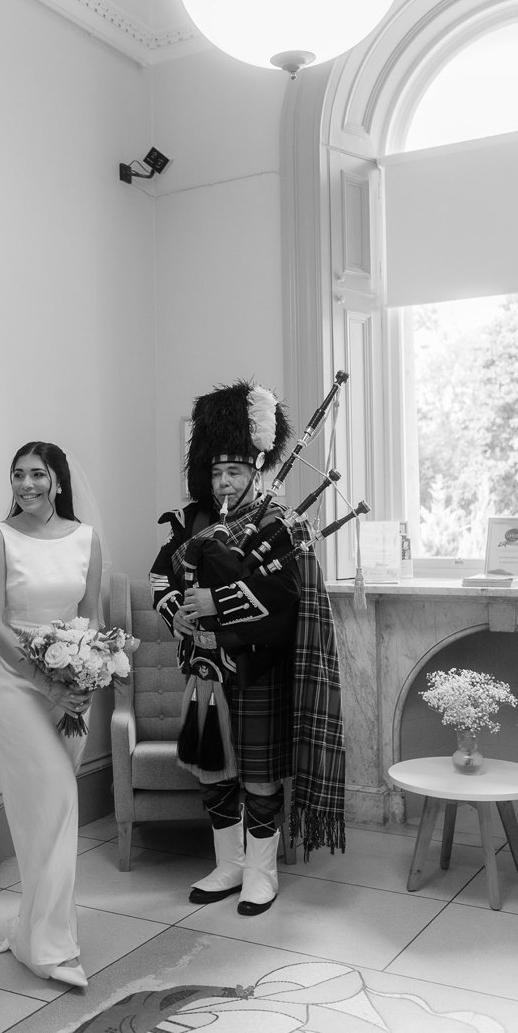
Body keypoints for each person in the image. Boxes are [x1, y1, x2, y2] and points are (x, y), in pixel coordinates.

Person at [149, 380, 345, 917]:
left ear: (257, 470)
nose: (223, 481)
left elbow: (283, 597)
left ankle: (262, 872)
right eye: (215, 471)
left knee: (258, 773)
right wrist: (183, 619)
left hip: (257, 666)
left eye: (233, 470)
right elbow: (161, 579)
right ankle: (228, 864)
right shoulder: (192, 523)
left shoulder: (278, 522)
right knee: (215, 770)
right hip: (206, 669)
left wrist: (217, 605)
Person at [0, 440, 103, 986]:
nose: (26, 484)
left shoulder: (86, 539)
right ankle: (50, 948)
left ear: (57, 479)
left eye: (37, 474)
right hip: (15, 682)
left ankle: (33, 924)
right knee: (56, 797)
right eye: (18, 475)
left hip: (72, 684)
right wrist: (43, 683)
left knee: (43, 812)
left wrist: (83, 677)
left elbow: (93, 616)